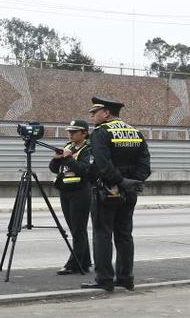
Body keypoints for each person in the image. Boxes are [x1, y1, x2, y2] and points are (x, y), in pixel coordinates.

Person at [81, 96, 151, 292]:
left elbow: (102, 164)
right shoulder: (135, 132)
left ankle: (104, 279)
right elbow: (145, 165)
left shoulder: (101, 133)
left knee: (102, 234)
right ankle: (126, 278)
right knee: (124, 235)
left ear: (106, 113)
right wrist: (132, 182)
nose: (92, 116)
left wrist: (119, 182)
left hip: (107, 190)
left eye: (95, 112)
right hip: (129, 191)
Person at [49, 119, 93, 275]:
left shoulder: (88, 149)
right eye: (69, 131)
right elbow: (54, 169)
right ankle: (85, 261)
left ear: (84, 133)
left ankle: (74, 264)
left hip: (81, 192)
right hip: (66, 192)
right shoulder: (68, 147)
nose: (71, 134)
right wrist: (56, 158)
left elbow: (84, 170)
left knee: (78, 229)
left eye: (74, 132)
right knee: (76, 229)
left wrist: (67, 158)